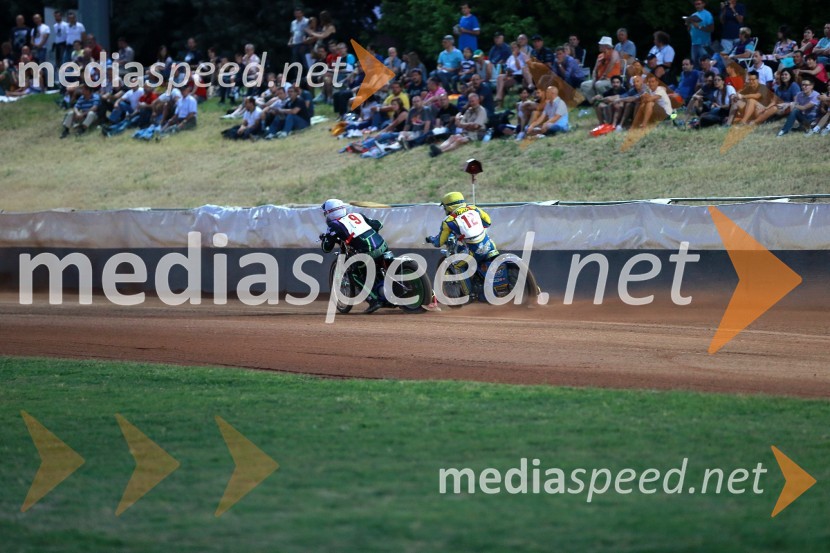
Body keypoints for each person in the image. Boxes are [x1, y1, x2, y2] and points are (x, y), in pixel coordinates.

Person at [320, 199, 390, 313]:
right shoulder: (356, 215)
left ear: (330, 213)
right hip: (383, 246)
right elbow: (378, 224)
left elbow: (326, 248)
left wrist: (325, 238)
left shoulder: (334, 225)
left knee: (353, 273)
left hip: (367, 253)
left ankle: (374, 300)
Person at [427, 192, 499, 287]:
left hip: (474, 253)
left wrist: (432, 239)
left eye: (444, 207)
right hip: (490, 246)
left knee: (456, 265)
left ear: (449, 206)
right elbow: (487, 222)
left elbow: (439, 242)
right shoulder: (473, 208)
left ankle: (468, 295)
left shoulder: (448, 221)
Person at [429, 92, 487, 156]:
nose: (471, 103)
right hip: (467, 132)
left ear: (478, 100)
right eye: (470, 101)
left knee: (459, 140)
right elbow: (459, 124)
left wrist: (464, 125)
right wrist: (469, 124)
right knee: (452, 137)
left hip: (477, 134)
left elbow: (476, 126)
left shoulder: (481, 110)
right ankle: (438, 149)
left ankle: (441, 152)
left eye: (473, 101)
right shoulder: (469, 111)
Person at [685, 0, 714, 65]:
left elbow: (711, 29)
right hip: (694, 43)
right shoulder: (693, 15)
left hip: (704, 43)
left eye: (699, 4)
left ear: (703, 4)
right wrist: (688, 24)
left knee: (705, 63)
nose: (697, 6)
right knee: (694, 64)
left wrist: (699, 27)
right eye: (696, 4)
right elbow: (689, 30)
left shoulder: (708, 14)